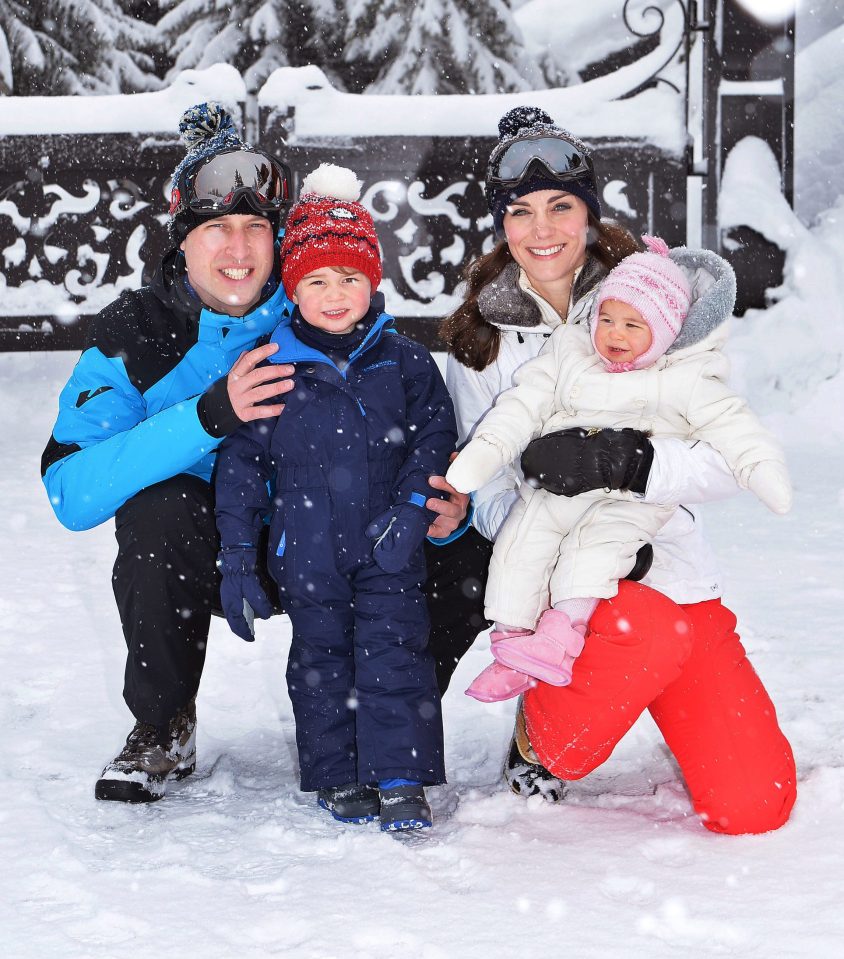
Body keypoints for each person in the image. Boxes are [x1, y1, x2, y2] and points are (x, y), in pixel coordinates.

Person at [38, 102, 468, 805]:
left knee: (457, 533)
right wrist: (210, 415)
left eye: (254, 229)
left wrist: (447, 503)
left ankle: (385, 707)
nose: (237, 249)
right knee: (158, 511)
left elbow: (419, 424)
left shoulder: (326, 303)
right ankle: (163, 720)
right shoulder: (136, 331)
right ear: (182, 238)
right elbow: (70, 492)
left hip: (345, 537)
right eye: (215, 228)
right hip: (223, 549)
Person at [438, 105, 796, 833]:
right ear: (502, 226)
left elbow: (728, 454)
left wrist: (635, 464)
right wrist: (566, 529)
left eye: (561, 207)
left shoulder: (659, 300)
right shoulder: (484, 338)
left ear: (590, 214)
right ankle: (541, 737)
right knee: (641, 637)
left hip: (675, 568)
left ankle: (650, 690)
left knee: (755, 803)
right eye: (522, 212)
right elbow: (487, 492)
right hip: (569, 585)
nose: (543, 230)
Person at [214, 164, 457, 831]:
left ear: (371, 280)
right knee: (321, 662)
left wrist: (412, 507)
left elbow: (435, 436)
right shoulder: (271, 364)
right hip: (309, 553)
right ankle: (339, 771)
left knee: (394, 653)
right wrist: (239, 557)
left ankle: (402, 776)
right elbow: (239, 465)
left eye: (349, 277)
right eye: (316, 280)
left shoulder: (404, 360)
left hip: (389, 543)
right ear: (293, 287)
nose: (334, 293)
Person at [446, 235, 791, 701]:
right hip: (554, 491)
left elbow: (735, 432)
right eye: (607, 319)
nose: (615, 334)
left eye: (632, 324)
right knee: (519, 544)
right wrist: (488, 454)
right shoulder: (569, 355)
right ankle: (511, 646)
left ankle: (557, 636)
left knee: (591, 555)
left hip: (631, 510)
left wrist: (636, 464)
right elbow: (519, 405)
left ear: (665, 332)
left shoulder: (683, 376)